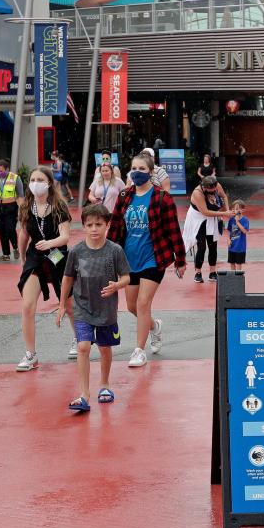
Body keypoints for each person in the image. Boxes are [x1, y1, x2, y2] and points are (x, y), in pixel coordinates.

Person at [107, 151, 187, 368]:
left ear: (151, 172)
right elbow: (114, 228)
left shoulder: (162, 198)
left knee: (143, 304)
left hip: (154, 259)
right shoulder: (124, 197)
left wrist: (180, 260)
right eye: (134, 168)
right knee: (132, 306)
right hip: (128, 260)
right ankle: (154, 326)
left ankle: (139, 350)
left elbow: (173, 231)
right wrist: (106, 255)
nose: (137, 172)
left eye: (142, 169)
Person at [57, 204, 131, 413]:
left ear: (107, 225)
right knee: (83, 347)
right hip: (82, 307)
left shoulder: (115, 250)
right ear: (83, 227)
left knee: (105, 348)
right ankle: (84, 394)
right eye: (89, 225)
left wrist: (117, 285)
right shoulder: (76, 251)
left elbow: (126, 276)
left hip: (107, 310)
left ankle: (105, 384)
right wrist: (63, 304)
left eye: (99, 224)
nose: (94, 229)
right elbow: (67, 278)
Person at [16, 166, 75, 371]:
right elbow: (24, 233)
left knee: (68, 305)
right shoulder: (26, 206)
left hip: (56, 254)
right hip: (35, 257)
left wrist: (50, 244)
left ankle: (79, 339)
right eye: (32, 179)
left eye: (40, 179)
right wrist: (22, 256)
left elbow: (65, 236)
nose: (35, 183)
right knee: (27, 306)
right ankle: (31, 354)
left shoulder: (59, 207)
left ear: (49, 182)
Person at [184, 176, 233, 283]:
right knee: (201, 247)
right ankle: (198, 272)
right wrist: (224, 213)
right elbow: (205, 212)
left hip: (212, 218)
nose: (214, 192)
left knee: (213, 246)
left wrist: (227, 210)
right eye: (211, 191)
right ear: (204, 187)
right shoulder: (198, 193)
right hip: (199, 219)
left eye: (215, 190)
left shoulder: (217, 185)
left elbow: (224, 197)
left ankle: (212, 272)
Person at [227, 200, 250, 272]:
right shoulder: (231, 219)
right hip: (232, 246)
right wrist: (228, 239)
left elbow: (245, 231)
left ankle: (238, 277)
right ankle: (233, 276)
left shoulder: (245, 220)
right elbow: (229, 230)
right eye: (235, 209)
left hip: (240, 246)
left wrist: (237, 222)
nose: (236, 210)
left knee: (239, 263)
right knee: (232, 262)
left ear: (243, 210)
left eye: (238, 209)